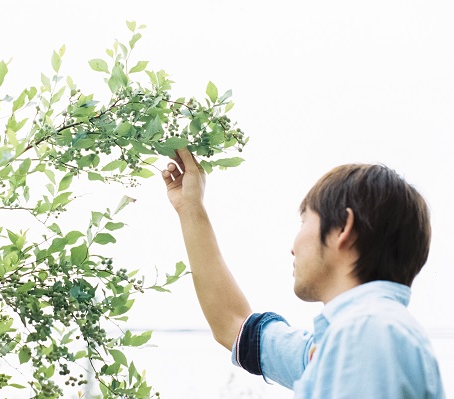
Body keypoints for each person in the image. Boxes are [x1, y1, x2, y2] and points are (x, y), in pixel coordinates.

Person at [161, 148, 445, 398]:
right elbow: (232, 325)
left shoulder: (366, 333)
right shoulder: (333, 348)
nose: (293, 247)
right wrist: (190, 208)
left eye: (304, 220)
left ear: (343, 228)